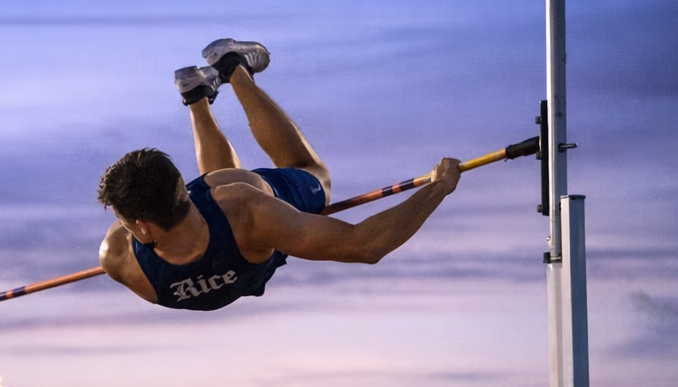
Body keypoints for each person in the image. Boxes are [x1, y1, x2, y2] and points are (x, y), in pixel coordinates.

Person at [97, 38, 461, 312]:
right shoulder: (124, 248)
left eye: (124, 220)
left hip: (248, 211)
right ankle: (197, 95)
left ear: (142, 226)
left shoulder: (118, 256)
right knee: (222, 184)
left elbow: (364, 246)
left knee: (308, 172)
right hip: (224, 219)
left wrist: (436, 190)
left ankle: (233, 66)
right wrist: (437, 189)